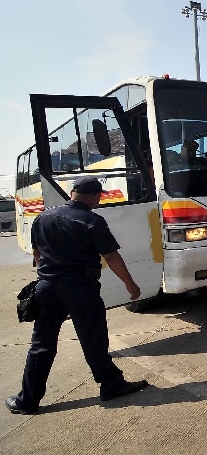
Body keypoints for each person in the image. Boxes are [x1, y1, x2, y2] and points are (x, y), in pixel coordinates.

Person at [5, 177, 148, 415]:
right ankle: (111, 384)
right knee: (93, 339)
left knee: (41, 345)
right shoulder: (92, 220)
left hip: (47, 287)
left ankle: (27, 401)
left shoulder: (43, 217)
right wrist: (130, 284)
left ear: (72, 193)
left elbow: (37, 253)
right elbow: (111, 257)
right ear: (95, 197)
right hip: (80, 288)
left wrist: (46, 276)